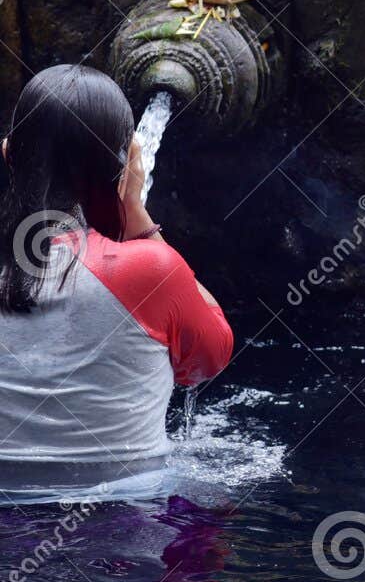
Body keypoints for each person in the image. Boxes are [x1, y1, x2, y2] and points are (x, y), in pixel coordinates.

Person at [0, 65, 232, 504]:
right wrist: (136, 213)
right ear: (125, 164)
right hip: (128, 515)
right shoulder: (148, 270)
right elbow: (207, 361)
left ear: (10, 153)